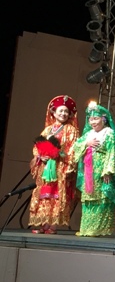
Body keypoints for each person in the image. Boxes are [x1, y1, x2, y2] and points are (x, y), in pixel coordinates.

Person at [29, 95, 80, 234]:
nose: (63, 113)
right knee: (44, 195)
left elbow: (73, 149)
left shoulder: (71, 130)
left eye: (66, 111)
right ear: (54, 113)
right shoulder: (47, 130)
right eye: (60, 111)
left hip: (60, 168)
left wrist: (61, 156)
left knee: (56, 195)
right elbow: (37, 147)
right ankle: (42, 223)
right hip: (46, 168)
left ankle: (52, 226)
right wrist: (41, 156)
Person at [72, 101, 115, 237]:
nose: (93, 122)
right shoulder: (88, 134)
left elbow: (112, 152)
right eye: (90, 119)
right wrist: (86, 143)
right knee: (89, 198)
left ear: (103, 119)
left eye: (96, 118)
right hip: (89, 170)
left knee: (102, 197)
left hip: (101, 169)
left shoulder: (109, 133)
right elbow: (76, 146)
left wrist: (108, 171)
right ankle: (87, 228)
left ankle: (101, 229)